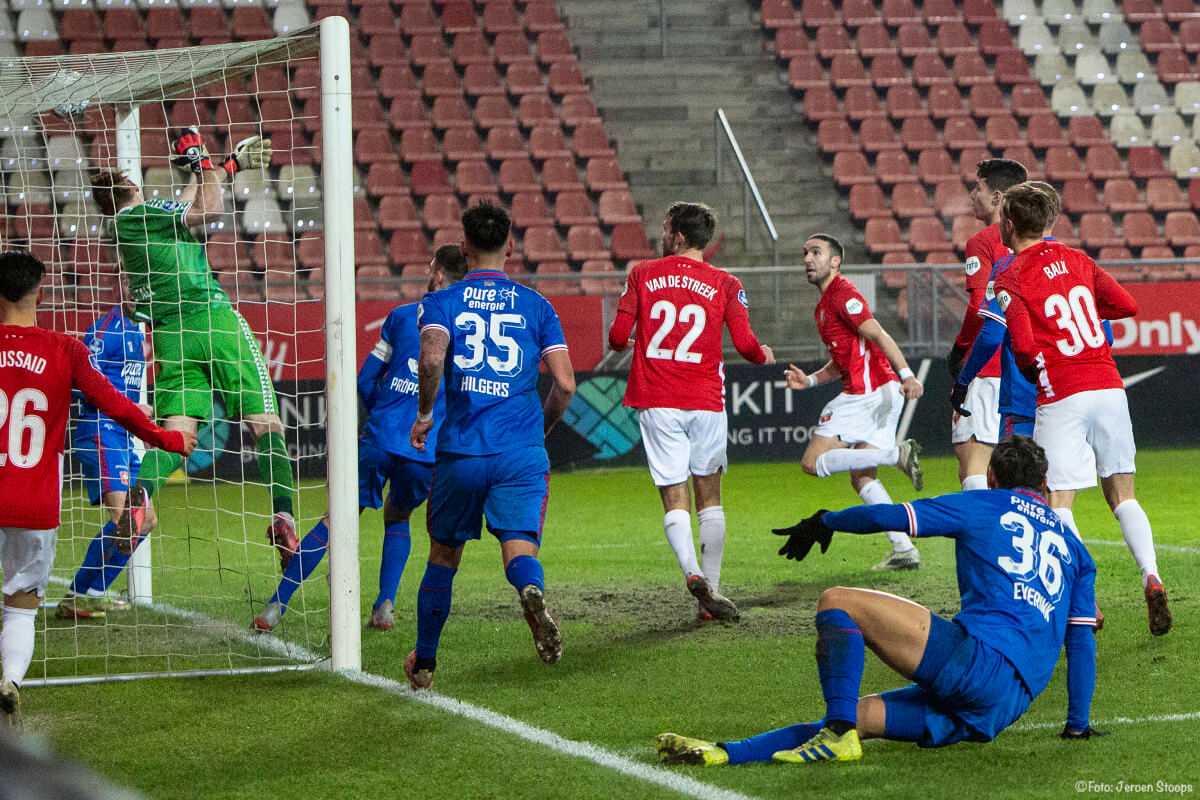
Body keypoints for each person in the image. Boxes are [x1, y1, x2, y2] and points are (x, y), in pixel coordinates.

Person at [656, 436, 1101, 767]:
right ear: (1045, 483)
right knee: (861, 713)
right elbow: (1081, 643)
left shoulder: (983, 503)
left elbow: (894, 516)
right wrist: (1077, 725)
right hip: (1006, 706)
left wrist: (826, 520)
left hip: (978, 662)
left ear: (992, 478)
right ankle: (724, 754)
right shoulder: (1077, 551)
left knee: (837, 600)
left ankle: (836, 731)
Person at [88, 127, 300, 573]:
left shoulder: (132, 227)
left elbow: (189, 201)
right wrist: (198, 155)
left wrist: (227, 167)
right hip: (211, 318)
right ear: (128, 188)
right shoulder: (141, 216)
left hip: (169, 336)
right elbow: (209, 207)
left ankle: (140, 499)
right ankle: (283, 514)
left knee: (178, 434)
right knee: (266, 423)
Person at [0, 250, 196, 728]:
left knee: (131, 519)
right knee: (21, 609)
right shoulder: (66, 349)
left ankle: (86, 592)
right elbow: (118, 407)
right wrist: (169, 439)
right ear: (41, 295)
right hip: (33, 503)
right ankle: (9, 679)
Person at [251, 246, 469, 632]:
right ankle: (384, 606)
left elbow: (365, 380)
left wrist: (383, 412)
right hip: (424, 450)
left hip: (381, 439)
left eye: (430, 267)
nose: (427, 273)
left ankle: (276, 607)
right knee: (398, 516)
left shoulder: (401, 318)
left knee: (335, 519)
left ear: (438, 277)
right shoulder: (467, 331)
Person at [405, 202, 576, 690]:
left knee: (443, 556)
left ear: (464, 247)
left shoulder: (443, 302)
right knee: (518, 544)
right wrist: (538, 432)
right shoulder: (537, 305)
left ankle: (425, 664)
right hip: (520, 450)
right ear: (511, 248)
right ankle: (529, 589)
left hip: (461, 451)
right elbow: (564, 384)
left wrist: (424, 413)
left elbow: (432, 361)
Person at [993, 182, 1170, 636]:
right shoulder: (1079, 260)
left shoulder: (1010, 275)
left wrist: (1039, 373)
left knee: (1058, 501)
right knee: (1123, 494)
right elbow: (1127, 305)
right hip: (1109, 386)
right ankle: (1151, 575)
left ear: (1009, 225)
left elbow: (1022, 345)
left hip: (1062, 391)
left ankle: (1083, 601)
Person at [606, 202, 774, 622]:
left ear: (678, 236)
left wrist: (628, 342)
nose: (662, 235)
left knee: (673, 494)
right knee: (710, 500)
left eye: (665, 229)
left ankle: (692, 573)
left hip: (658, 399)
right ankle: (712, 592)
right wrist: (762, 355)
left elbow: (616, 336)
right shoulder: (726, 282)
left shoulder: (643, 273)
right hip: (706, 402)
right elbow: (746, 343)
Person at [782, 234, 924, 571]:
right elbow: (841, 362)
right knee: (862, 477)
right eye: (804, 252)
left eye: (816, 252)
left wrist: (907, 375)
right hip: (882, 394)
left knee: (813, 462)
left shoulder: (842, 292)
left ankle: (895, 455)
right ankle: (904, 549)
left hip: (868, 393)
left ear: (835, 261)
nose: (807, 259)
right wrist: (811, 380)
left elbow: (879, 334)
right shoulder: (823, 306)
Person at [56, 284, 152, 620]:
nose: (137, 292)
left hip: (123, 433)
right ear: (119, 287)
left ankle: (87, 592)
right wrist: (128, 407)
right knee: (124, 520)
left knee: (145, 519)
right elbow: (78, 381)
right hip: (100, 431)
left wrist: (135, 410)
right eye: (128, 284)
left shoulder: (139, 330)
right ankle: (84, 595)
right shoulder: (104, 329)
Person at [947, 159, 1028, 492]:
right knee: (1017, 473)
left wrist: (960, 349)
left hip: (989, 366)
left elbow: (979, 307)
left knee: (973, 466)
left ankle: (983, 543)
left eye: (976, 188)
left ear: (997, 197)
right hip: (1025, 373)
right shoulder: (1038, 244)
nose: (970, 196)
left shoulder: (983, 241)